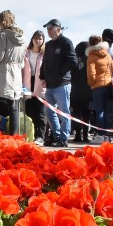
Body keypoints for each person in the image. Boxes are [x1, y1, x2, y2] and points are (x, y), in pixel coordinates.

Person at [39, 19, 77, 147]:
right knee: (49, 112)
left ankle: (64, 138)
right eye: (47, 28)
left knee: (64, 112)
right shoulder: (48, 45)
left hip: (62, 84)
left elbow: (73, 61)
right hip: (50, 84)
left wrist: (59, 72)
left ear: (59, 29)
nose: (49, 31)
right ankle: (57, 136)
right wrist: (42, 76)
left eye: (51, 28)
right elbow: (44, 62)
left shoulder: (66, 42)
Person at [86, 35, 113, 142]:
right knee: (106, 111)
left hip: (97, 87)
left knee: (99, 111)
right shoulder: (107, 54)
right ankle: (107, 135)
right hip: (108, 85)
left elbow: (91, 74)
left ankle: (100, 135)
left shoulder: (91, 56)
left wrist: (91, 83)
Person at [22, 30, 46, 144]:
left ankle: (40, 136)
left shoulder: (45, 53)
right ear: (32, 39)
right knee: (29, 111)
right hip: (27, 83)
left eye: (40, 38)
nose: (38, 40)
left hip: (40, 83)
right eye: (36, 38)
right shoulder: (26, 52)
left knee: (40, 112)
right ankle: (30, 135)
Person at [71, 41, 92, 143]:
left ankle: (78, 135)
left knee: (76, 114)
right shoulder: (90, 60)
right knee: (86, 115)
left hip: (75, 91)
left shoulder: (74, 60)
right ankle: (85, 135)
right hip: (87, 91)